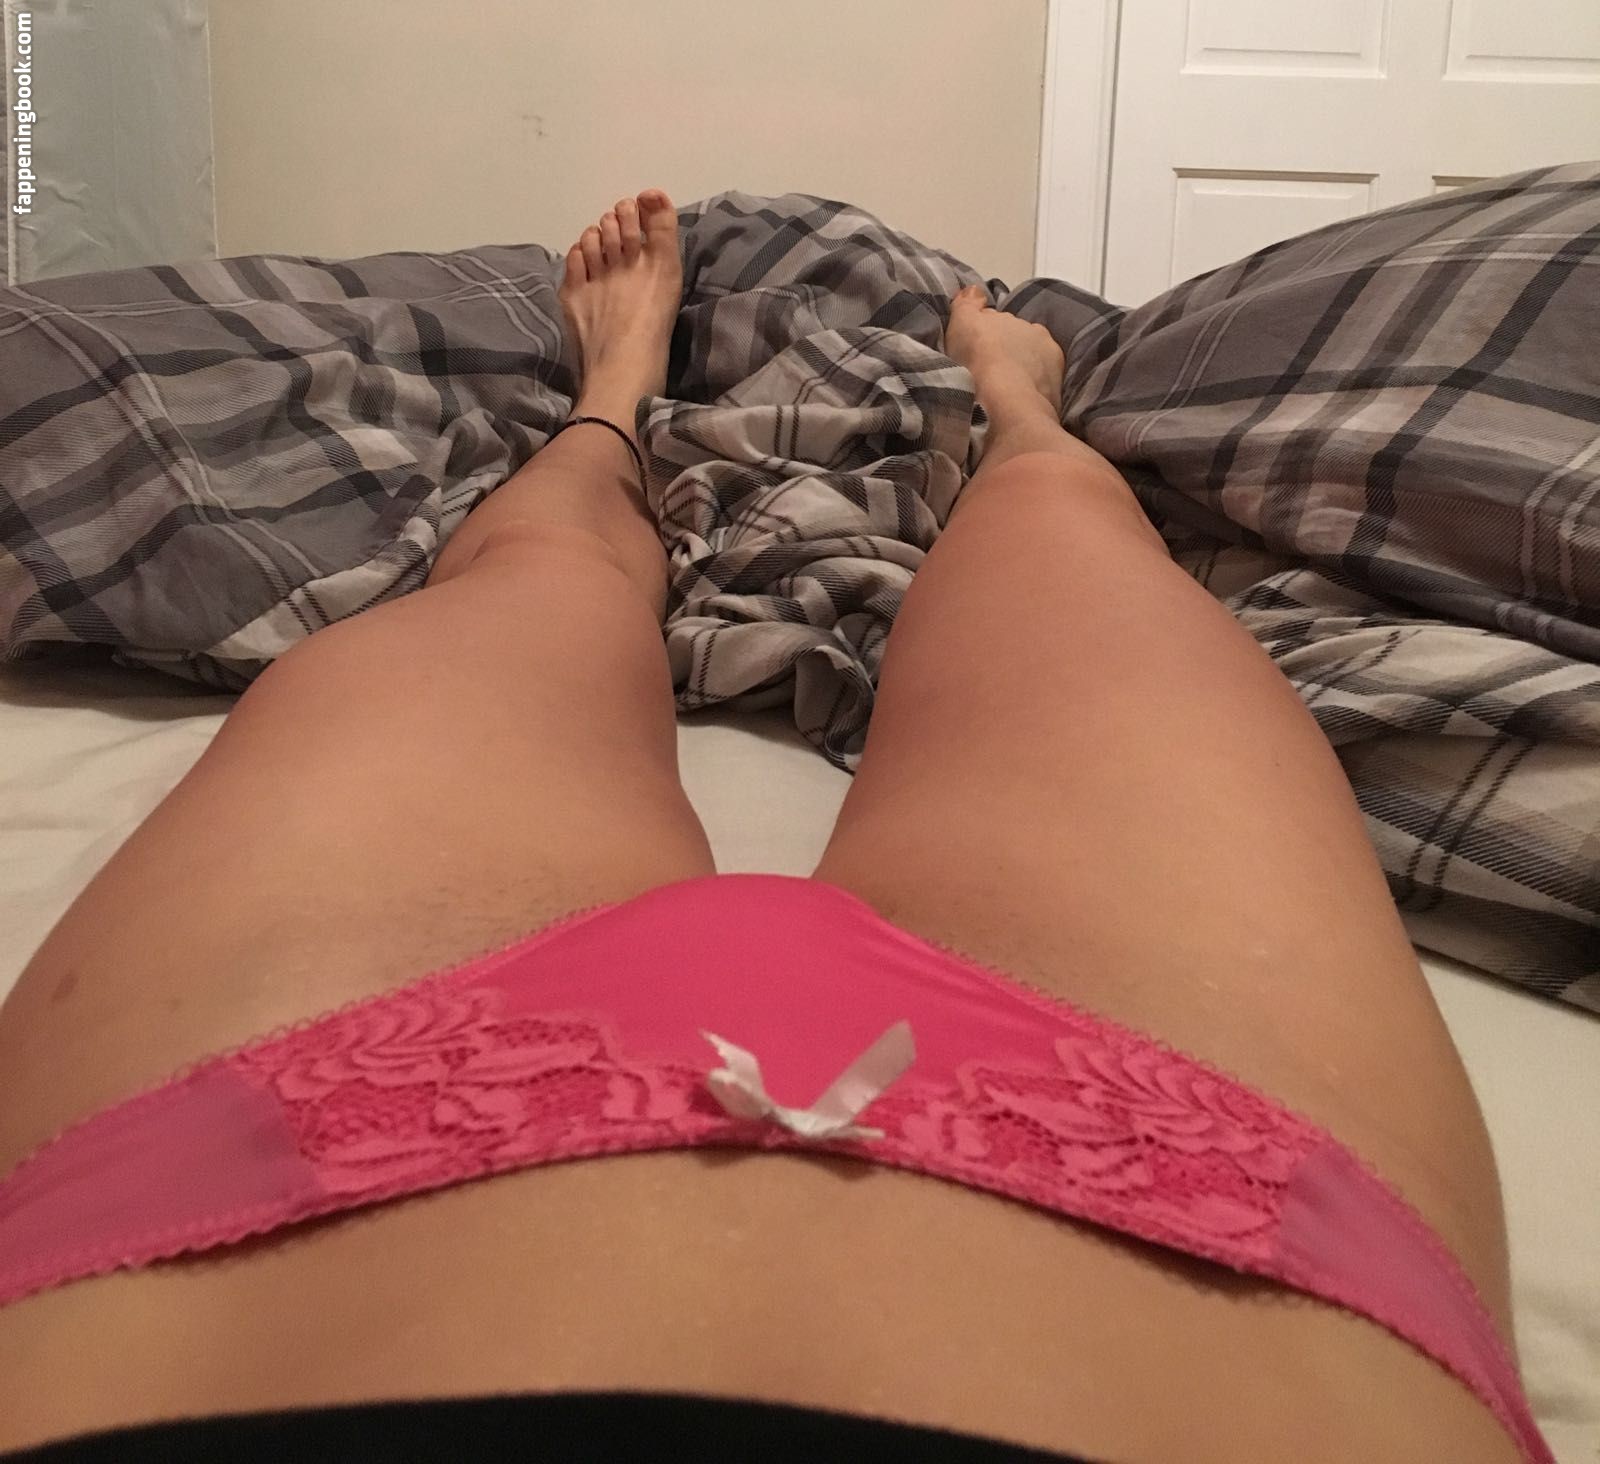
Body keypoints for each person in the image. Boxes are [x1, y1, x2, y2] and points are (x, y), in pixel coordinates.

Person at [0, 188, 1539, 1463]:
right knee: (1062, 545)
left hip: (241, 1176)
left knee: (537, 585)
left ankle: (939, 406)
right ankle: (748, 405)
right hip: (1209, 1200)